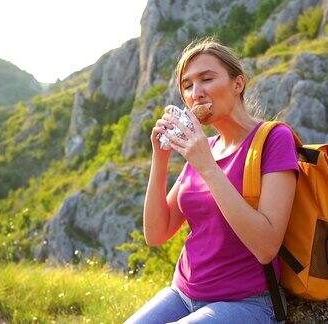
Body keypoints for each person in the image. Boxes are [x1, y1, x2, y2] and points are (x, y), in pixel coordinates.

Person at [125, 38, 299, 324]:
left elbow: (266, 246)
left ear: (237, 84)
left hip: (247, 302)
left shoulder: (273, 139)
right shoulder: (205, 146)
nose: (196, 93)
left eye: (207, 79)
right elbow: (156, 233)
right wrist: (160, 158)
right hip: (182, 294)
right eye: (187, 86)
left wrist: (205, 164)